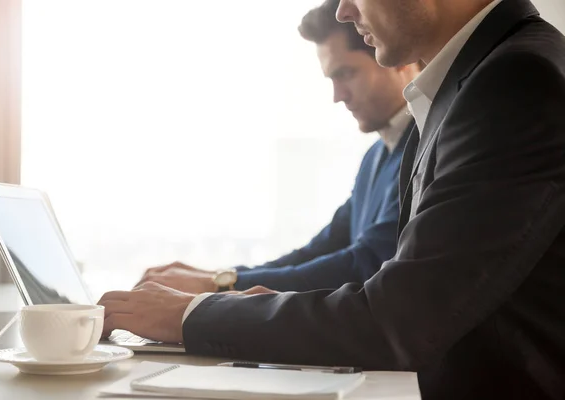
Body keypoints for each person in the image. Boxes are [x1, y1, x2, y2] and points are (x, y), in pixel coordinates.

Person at [99, 0, 565, 398]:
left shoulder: (515, 81)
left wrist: (193, 312)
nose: (344, 9)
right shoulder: (477, 84)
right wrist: (231, 295)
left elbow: (396, 319)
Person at [136, 0, 418, 294]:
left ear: (395, 59)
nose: (338, 96)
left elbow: (364, 263)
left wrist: (219, 285)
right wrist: (221, 277)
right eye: (332, 79)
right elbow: (317, 252)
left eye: (346, 73)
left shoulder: (423, 146)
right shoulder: (376, 157)